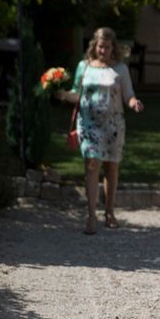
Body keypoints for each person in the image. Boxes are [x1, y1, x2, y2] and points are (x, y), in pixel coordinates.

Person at [57, 27, 144, 235]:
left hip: (113, 125)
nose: (103, 50)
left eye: (107, 46)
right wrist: (59, 93)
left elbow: (128, 94)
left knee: (111, 167)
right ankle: (91, 215)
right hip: (88, 124)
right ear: (94, 46)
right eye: (100, 46)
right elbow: (76, 93)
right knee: (92, 164)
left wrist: (134, 103)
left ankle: (110, 211)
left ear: (113, 47)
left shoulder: (120, 69)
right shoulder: (84, 67)